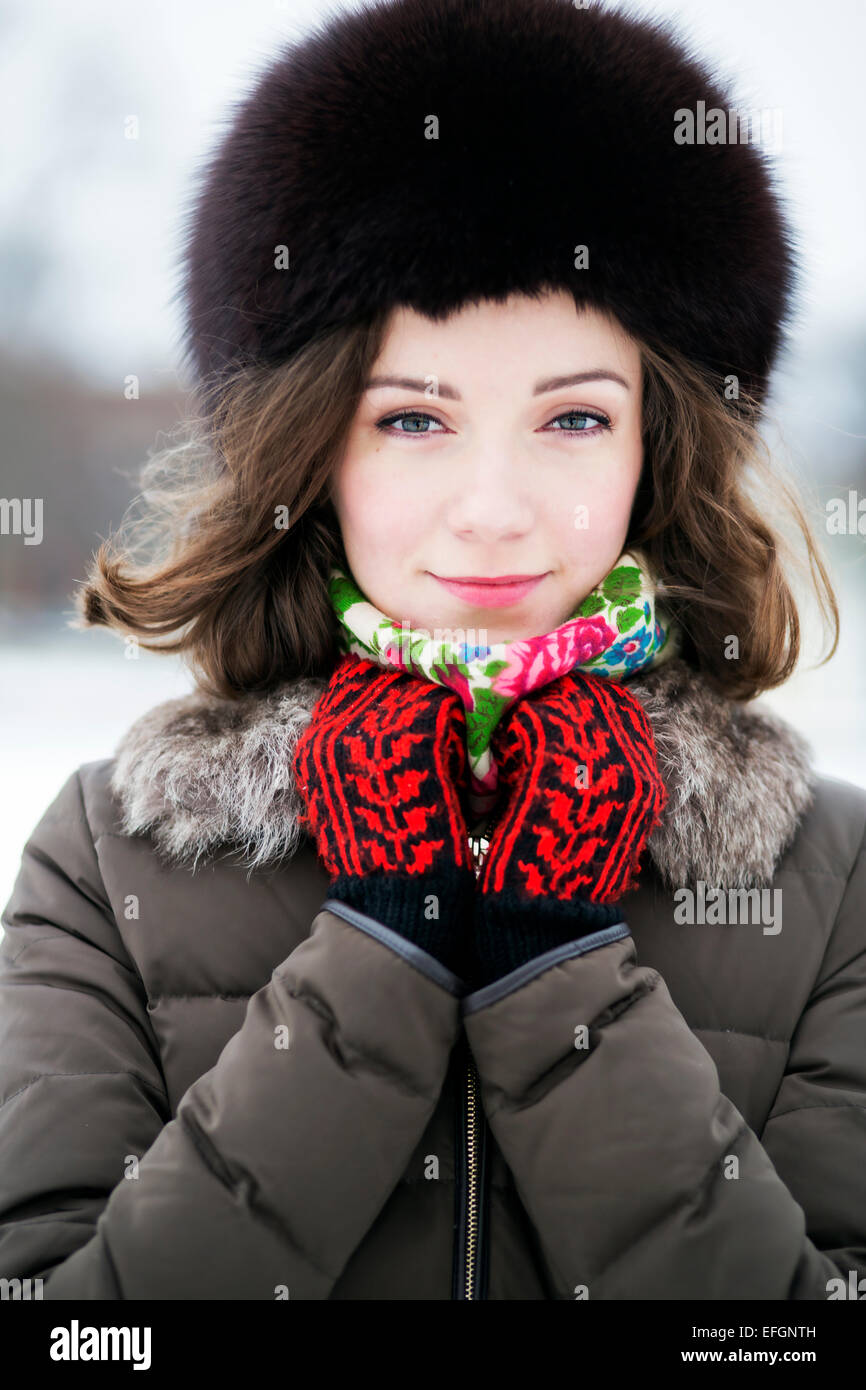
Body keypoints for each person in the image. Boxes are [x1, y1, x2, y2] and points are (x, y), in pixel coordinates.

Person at [1, 0, 864, 1302]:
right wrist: (379, 956)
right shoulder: (107, 855)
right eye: (412, 421)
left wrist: (553, 972)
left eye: (572, 417)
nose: (493, 506)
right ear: (309, 450)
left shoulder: (827, 875)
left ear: (658, 448)